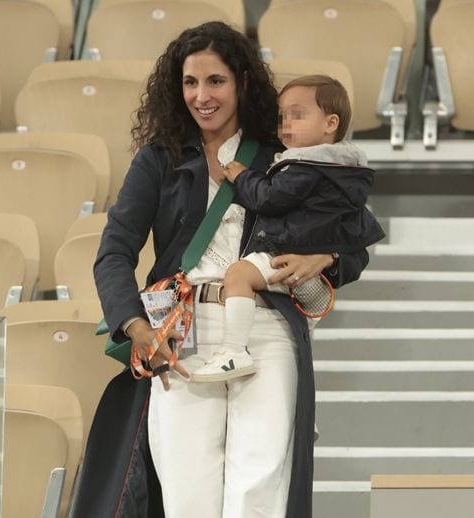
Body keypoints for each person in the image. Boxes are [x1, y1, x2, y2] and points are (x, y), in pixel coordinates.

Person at [76, 21, 370, 518]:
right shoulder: (158, 159)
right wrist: (136, 327)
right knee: (188, 496)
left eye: (215, 81)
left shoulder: (283, 153)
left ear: (242, 84)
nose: (201, 95)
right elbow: (114, 253)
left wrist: (326, 258)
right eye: (191, 82)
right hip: (182, 334)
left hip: (267, 329)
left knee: (258, 491)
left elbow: (356, 235)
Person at [190, 75, 385, 383]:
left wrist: (242, 177)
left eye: (298, 114)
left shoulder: (306, 165)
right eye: (282, 117)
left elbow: (270, 197)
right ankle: (299, 395)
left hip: (282, 251)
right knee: (297, 339)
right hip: (303, 267)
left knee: (238, 274)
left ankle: (233, 351)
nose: (286, 124)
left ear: (330, 123)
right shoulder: (344, 171)